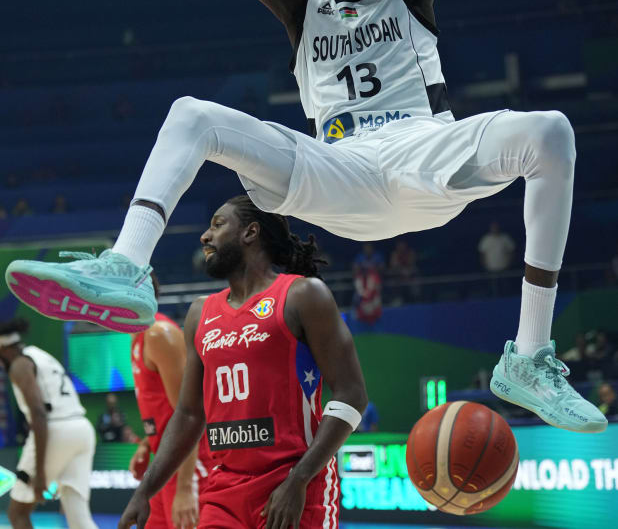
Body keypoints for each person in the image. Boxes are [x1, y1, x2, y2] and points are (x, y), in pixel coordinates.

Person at [6, 0, 606, 434]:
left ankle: (529, 355)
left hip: (424, 156)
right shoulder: (301, 7)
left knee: (551, 134)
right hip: (338, 170)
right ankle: (126, 265)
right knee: (192, 114)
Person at [119, 195, 367, 529]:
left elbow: (352, 394)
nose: (205, 236)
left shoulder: (303, 295)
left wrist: (299, 480)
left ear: (250, 233)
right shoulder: (199, 313)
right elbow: (189, 414)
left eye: (218, 225)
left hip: (294, 486)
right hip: (224, 492)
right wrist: (145, 489)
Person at [0, 318, 97, 529]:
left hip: (56, 429)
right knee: (79, 517)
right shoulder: (41, 355)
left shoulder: (19, 364)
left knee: (17, 513)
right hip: (81, 428)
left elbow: (39, 413)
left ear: (4, 349)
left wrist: (41, 473)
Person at [129, 273, 208, 528]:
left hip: (189, 466)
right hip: (165, 465)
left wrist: (185, 488)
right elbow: (164, 409)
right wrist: (145, 444)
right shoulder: (137, 338)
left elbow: (192, 414)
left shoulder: (158, 335)